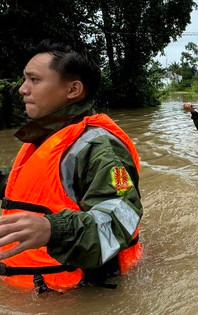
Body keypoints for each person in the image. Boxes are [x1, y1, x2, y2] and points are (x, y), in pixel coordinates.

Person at [0, 40, 142, 293]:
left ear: (73, 89)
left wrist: (52, 228)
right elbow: (33, 189)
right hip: (32, 288)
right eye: (24, 79)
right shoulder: (47, 137)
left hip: (77, 292)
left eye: (34, 80)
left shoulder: (100, 149)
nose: (23, 89)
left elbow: (122, 217)